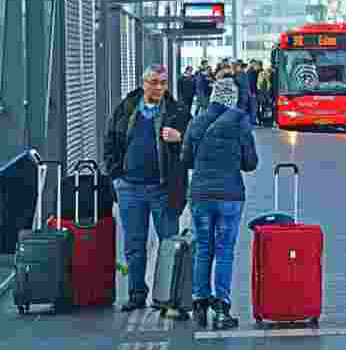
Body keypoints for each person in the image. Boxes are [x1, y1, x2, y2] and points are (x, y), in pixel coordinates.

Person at [104, 64, 191, 311]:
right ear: (144, 83)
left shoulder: (177, 111)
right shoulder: (127, 108)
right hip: (130, 188)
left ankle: (168, 296)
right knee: (134, 245)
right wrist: (116, 176)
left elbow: (194, 145)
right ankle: (136, 293)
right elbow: (110, 141)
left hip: (163, 189)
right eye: (154, 82)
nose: (159, 87)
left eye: (163, 82)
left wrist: (181, 138)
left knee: (169, 244)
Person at [181, 76, 258, 329]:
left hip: (201, 195)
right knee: (224, 251)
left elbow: (187, 160)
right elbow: (250, 163)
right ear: (233, 99)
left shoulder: (197, 121)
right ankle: (222, 308)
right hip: (230, 196)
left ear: (213, 96)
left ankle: (199, 305)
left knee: (204, 248)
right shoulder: (240, 122)